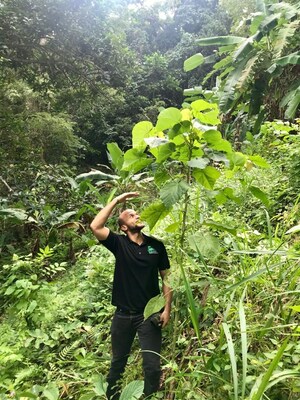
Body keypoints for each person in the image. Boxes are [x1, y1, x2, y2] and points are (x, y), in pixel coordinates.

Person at [90, 192, 172, 400]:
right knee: (118, 363)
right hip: (123, 316)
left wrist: (167, 309)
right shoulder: (119, 244)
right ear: (123, 227)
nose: (136, 215)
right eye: (130, 215)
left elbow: (167, 280)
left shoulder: (157, 246)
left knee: (152, 366)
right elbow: (95, 226)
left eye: (136, 213)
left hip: (149, 315)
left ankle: (150, 397)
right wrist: (118, 201)